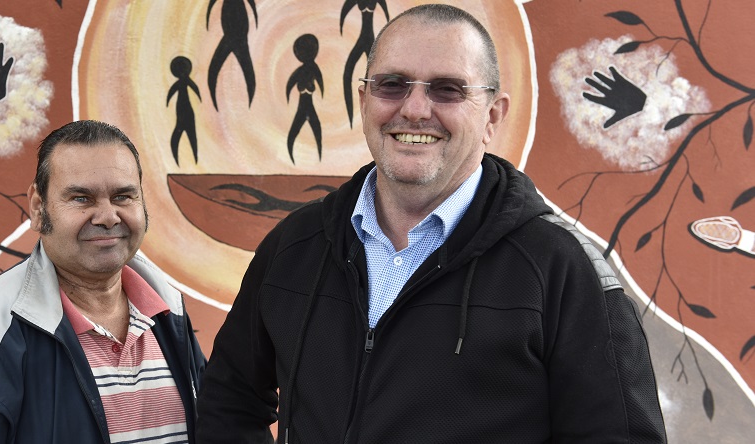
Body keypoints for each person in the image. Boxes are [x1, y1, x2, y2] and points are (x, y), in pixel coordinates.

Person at [196, 4, 666, 443]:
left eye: (447, 89)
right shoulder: (293, 247)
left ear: (492, 115)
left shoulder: (563, 269)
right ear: (364, 100)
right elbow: (230, 398)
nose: (415, 109)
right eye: (393, 84)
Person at [0, 120, 206, 443]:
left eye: (123, 196)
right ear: (39, 208)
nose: (108, 216)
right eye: (81, 198)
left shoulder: (168, 311)